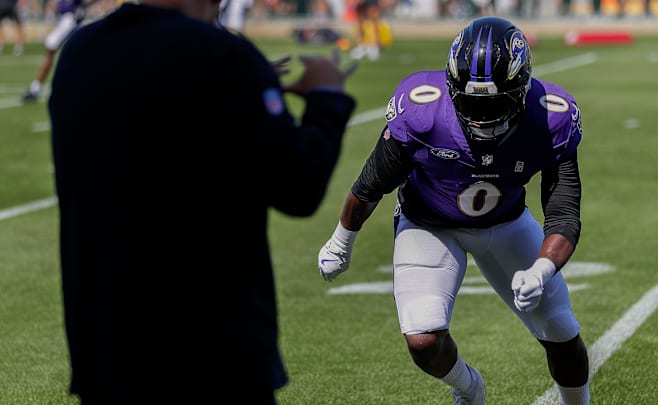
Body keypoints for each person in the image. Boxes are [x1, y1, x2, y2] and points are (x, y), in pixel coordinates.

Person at [48, 0, 357, 402]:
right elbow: (298, 187)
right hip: (213, 347)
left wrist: (249, 85)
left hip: (106, 343)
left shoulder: (79, 50)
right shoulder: (221, 53)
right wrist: (327, 100)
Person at [318, 16, 590, 405]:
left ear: (522, 87)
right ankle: (469, 387)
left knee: (560, 329)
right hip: (428, 223)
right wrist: (341, 241)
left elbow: (563, 211)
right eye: (471, 101)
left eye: (495, 101)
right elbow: (373, 182)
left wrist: (541, 268)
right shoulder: (422, 110)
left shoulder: (551, 117)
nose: (482, 115)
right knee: (423, 337)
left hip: (506, 222)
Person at [20, 0, 96, 102]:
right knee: (71, 54)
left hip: (70, 18)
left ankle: (36, 89)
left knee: (55, 49)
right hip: (67, 17)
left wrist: (80, 8)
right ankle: (36, 89)